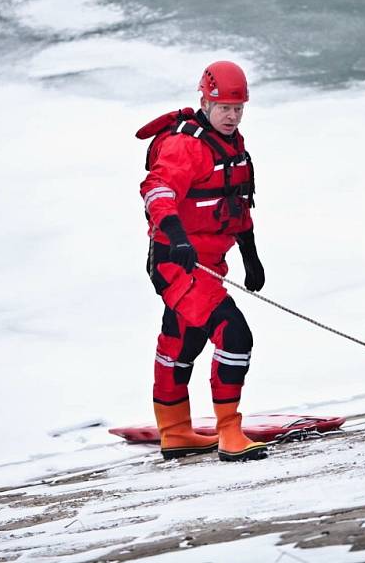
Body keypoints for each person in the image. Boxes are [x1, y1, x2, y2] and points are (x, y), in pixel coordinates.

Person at [137, 61, 268, 461]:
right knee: (235, 334)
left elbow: (237, 206)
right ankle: (230, 432)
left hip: (211, 263)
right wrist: (177, 238)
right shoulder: (185, 144)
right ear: (205, 101)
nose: (232, 116)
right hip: (175, 261)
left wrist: (251, 257)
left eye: (238, 108)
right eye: (224, 107)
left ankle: (175, 432)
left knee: (182, 342)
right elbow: (156, 191)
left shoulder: (234, 145)